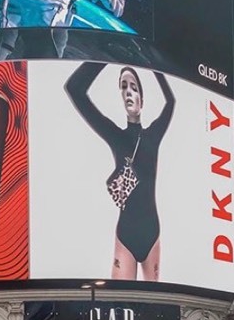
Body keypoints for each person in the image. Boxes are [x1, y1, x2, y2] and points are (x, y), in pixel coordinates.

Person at [66, 62, 175, 282]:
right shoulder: (116, 136)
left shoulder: (153, 135)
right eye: (123, 86)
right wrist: (106, 57)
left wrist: (153, 64)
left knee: (154, 304)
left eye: (134, 87)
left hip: (152, 231)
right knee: (120, 301)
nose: (128, 91)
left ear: (142, 100)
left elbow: (171, 102)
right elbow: (74, 89)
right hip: (125, 233)